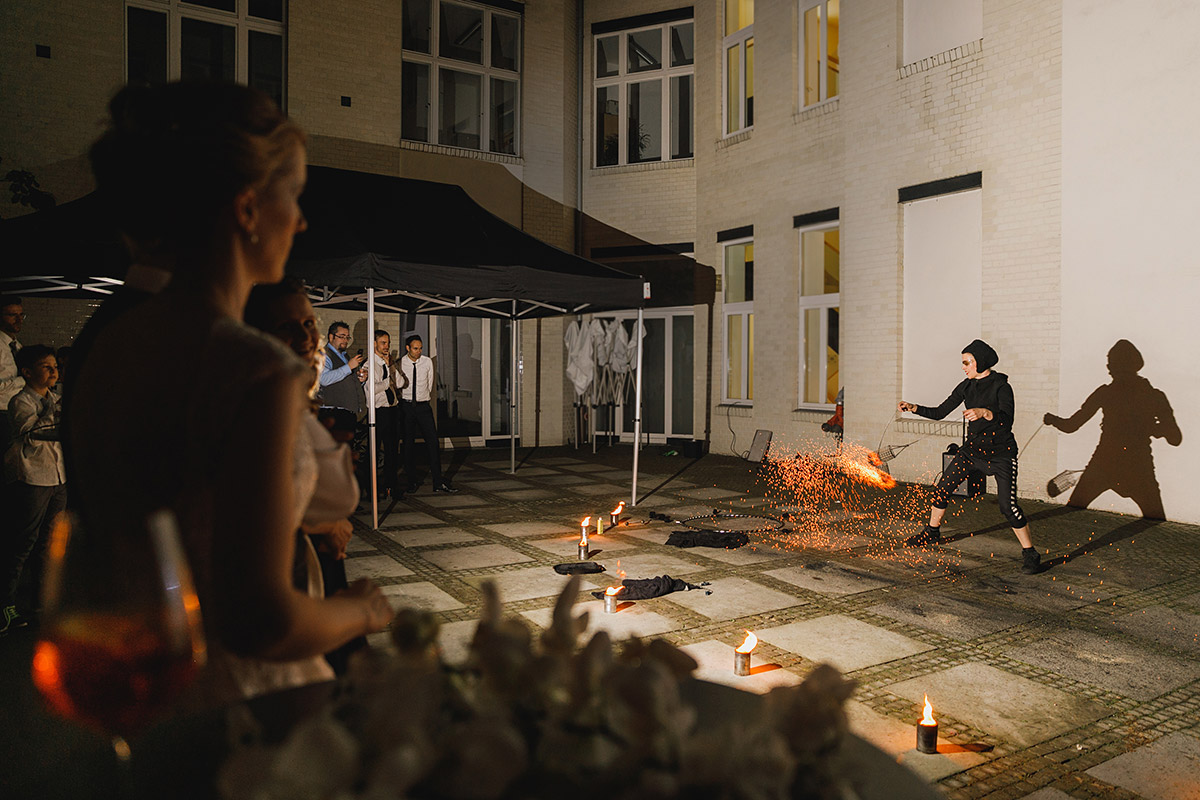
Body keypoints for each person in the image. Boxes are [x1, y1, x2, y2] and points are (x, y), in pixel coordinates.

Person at [68, 81, 393, 705]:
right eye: (293, 196)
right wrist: (361, 612)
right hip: (246, 703)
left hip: (147, 682)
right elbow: (263, 621)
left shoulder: (111, 342)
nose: (300, 220)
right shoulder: (253, 368)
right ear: (247, 208)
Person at [244, 277, 368, 674]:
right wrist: (320, 526)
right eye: (287, 326)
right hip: (284, 588)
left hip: (318, 570)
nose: (304, 336)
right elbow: (248, 517)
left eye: (308, 323)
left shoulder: (296, 401)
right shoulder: (263, 408)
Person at [898, 339, 1042, 574]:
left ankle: (1030, 553)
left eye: (967, 362)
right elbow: (939, 413)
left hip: (1001, 454)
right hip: (972, 451)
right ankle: (932, 532)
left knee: (1008, 506)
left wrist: (985, 413)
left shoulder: (1002, 386)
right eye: (963, 362)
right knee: (941, 489)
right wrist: (914, 407)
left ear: (980, 362)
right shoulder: (965, 386)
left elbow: (1006, 420)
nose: (963, 367)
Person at [1044, 339, 1181, 519]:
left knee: (1070, 513)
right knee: (1156, 521)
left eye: (1111, 363)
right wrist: (1154, 428)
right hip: (1139, 467)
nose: (1108, 368)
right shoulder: (1155, 396)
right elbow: (1175, 438)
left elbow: (1072, 426)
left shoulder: (1105, 393)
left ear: (1116, 366)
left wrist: (1052, 419)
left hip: (1103, 464)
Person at [1, 345, 66, 634]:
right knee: (22, 543)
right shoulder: (21, 402)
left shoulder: (57, 398)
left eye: (55, 366)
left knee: (50, 546)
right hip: (32, 478)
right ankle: (6, 605)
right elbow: (32, 436)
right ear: (27, 372)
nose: (54, 371)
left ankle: (41, 605)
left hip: (57, 477)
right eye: (46, 366)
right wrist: (52, 410)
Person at [399, 333, 455, 493]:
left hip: (423, 406)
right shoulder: (401, 363)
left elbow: (430, 383)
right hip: (407, 406)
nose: (419, 351)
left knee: (433, 442)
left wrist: (423, 399)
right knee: (408, 444)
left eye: (421, 348)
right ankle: (411, 481)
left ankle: (438, 481)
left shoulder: (427, 362)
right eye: (415, 348)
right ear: (408, 348)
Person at [370, 329, 401, 498]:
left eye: (388, 343)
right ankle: (373, 489)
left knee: (391, 451)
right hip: (378, 411)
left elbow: (402, 383)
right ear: (374, 344)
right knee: (374, 452)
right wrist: (387, 380)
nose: (386, 346)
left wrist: (391, 366)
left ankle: (391, 486)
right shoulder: (371, 364)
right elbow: (372, 389)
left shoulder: (386, 363)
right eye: (383, 343)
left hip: (392, 409)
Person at [316, 321, 366, 415]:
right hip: (333, 412)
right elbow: (323, 379)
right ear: (331, 337)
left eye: (347, 337)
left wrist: (360, 379)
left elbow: (344, 378)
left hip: (348, 411)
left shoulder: (345, 355)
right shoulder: (324, 354)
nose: (345, 340)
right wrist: (349, 367)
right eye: (342, 336)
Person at [0, 296, 25, 449]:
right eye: (12, 315)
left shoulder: (17, 346)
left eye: (21, 315)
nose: (19, 319)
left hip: (14, 414)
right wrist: (23, 379)